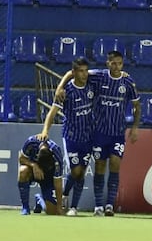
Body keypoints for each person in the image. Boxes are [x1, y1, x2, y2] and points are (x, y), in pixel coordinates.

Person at [56, 52, 140, 216]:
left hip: (117, 133)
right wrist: (60, 86)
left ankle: (109, 205)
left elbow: (137, 105)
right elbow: (71, 72)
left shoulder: (128, 82)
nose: (117, 67)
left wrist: (135, 127)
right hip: (99, 132)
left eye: (120, 63)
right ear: (107, 63)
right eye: (113, 63)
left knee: (115, 164)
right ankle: (98, 206)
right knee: (100, 166)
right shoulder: (98, 76)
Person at [38, 58, 95, 217]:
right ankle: (63, 196)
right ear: (74, 72)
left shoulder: (92, 84)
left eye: (86, 70)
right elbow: (52, 112)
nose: (85, 74)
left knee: (81, 172)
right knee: (76, 170)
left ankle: (73, 206)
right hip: (71, 137)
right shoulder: (66, 92)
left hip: (88, 136)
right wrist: (45, 131)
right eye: (81, 71)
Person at [18, 135, 65, 216]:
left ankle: (40, 199)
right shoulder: (31, 143)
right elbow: (21, 159)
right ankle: (25, 207)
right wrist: (33, 165)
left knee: (52, 212)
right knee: (23, 171)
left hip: (49, 178)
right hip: (34, 171)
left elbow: (58, 183)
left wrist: (59, 207)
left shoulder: (57, 154)